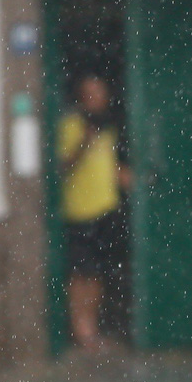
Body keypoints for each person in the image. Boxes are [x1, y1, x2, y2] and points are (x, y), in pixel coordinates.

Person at [57, 75, 132, 353]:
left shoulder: (109, 128)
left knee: (98, 273)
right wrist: (83, 144)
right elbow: (62, 167)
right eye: (90, 94)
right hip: (78, 210)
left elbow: (108, 163)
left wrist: (123, 176)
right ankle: (80, 330)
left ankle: (91, 329)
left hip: (105, 208)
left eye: (99, 93)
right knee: (80, 274)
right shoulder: (70, 125)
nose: (96, 99)